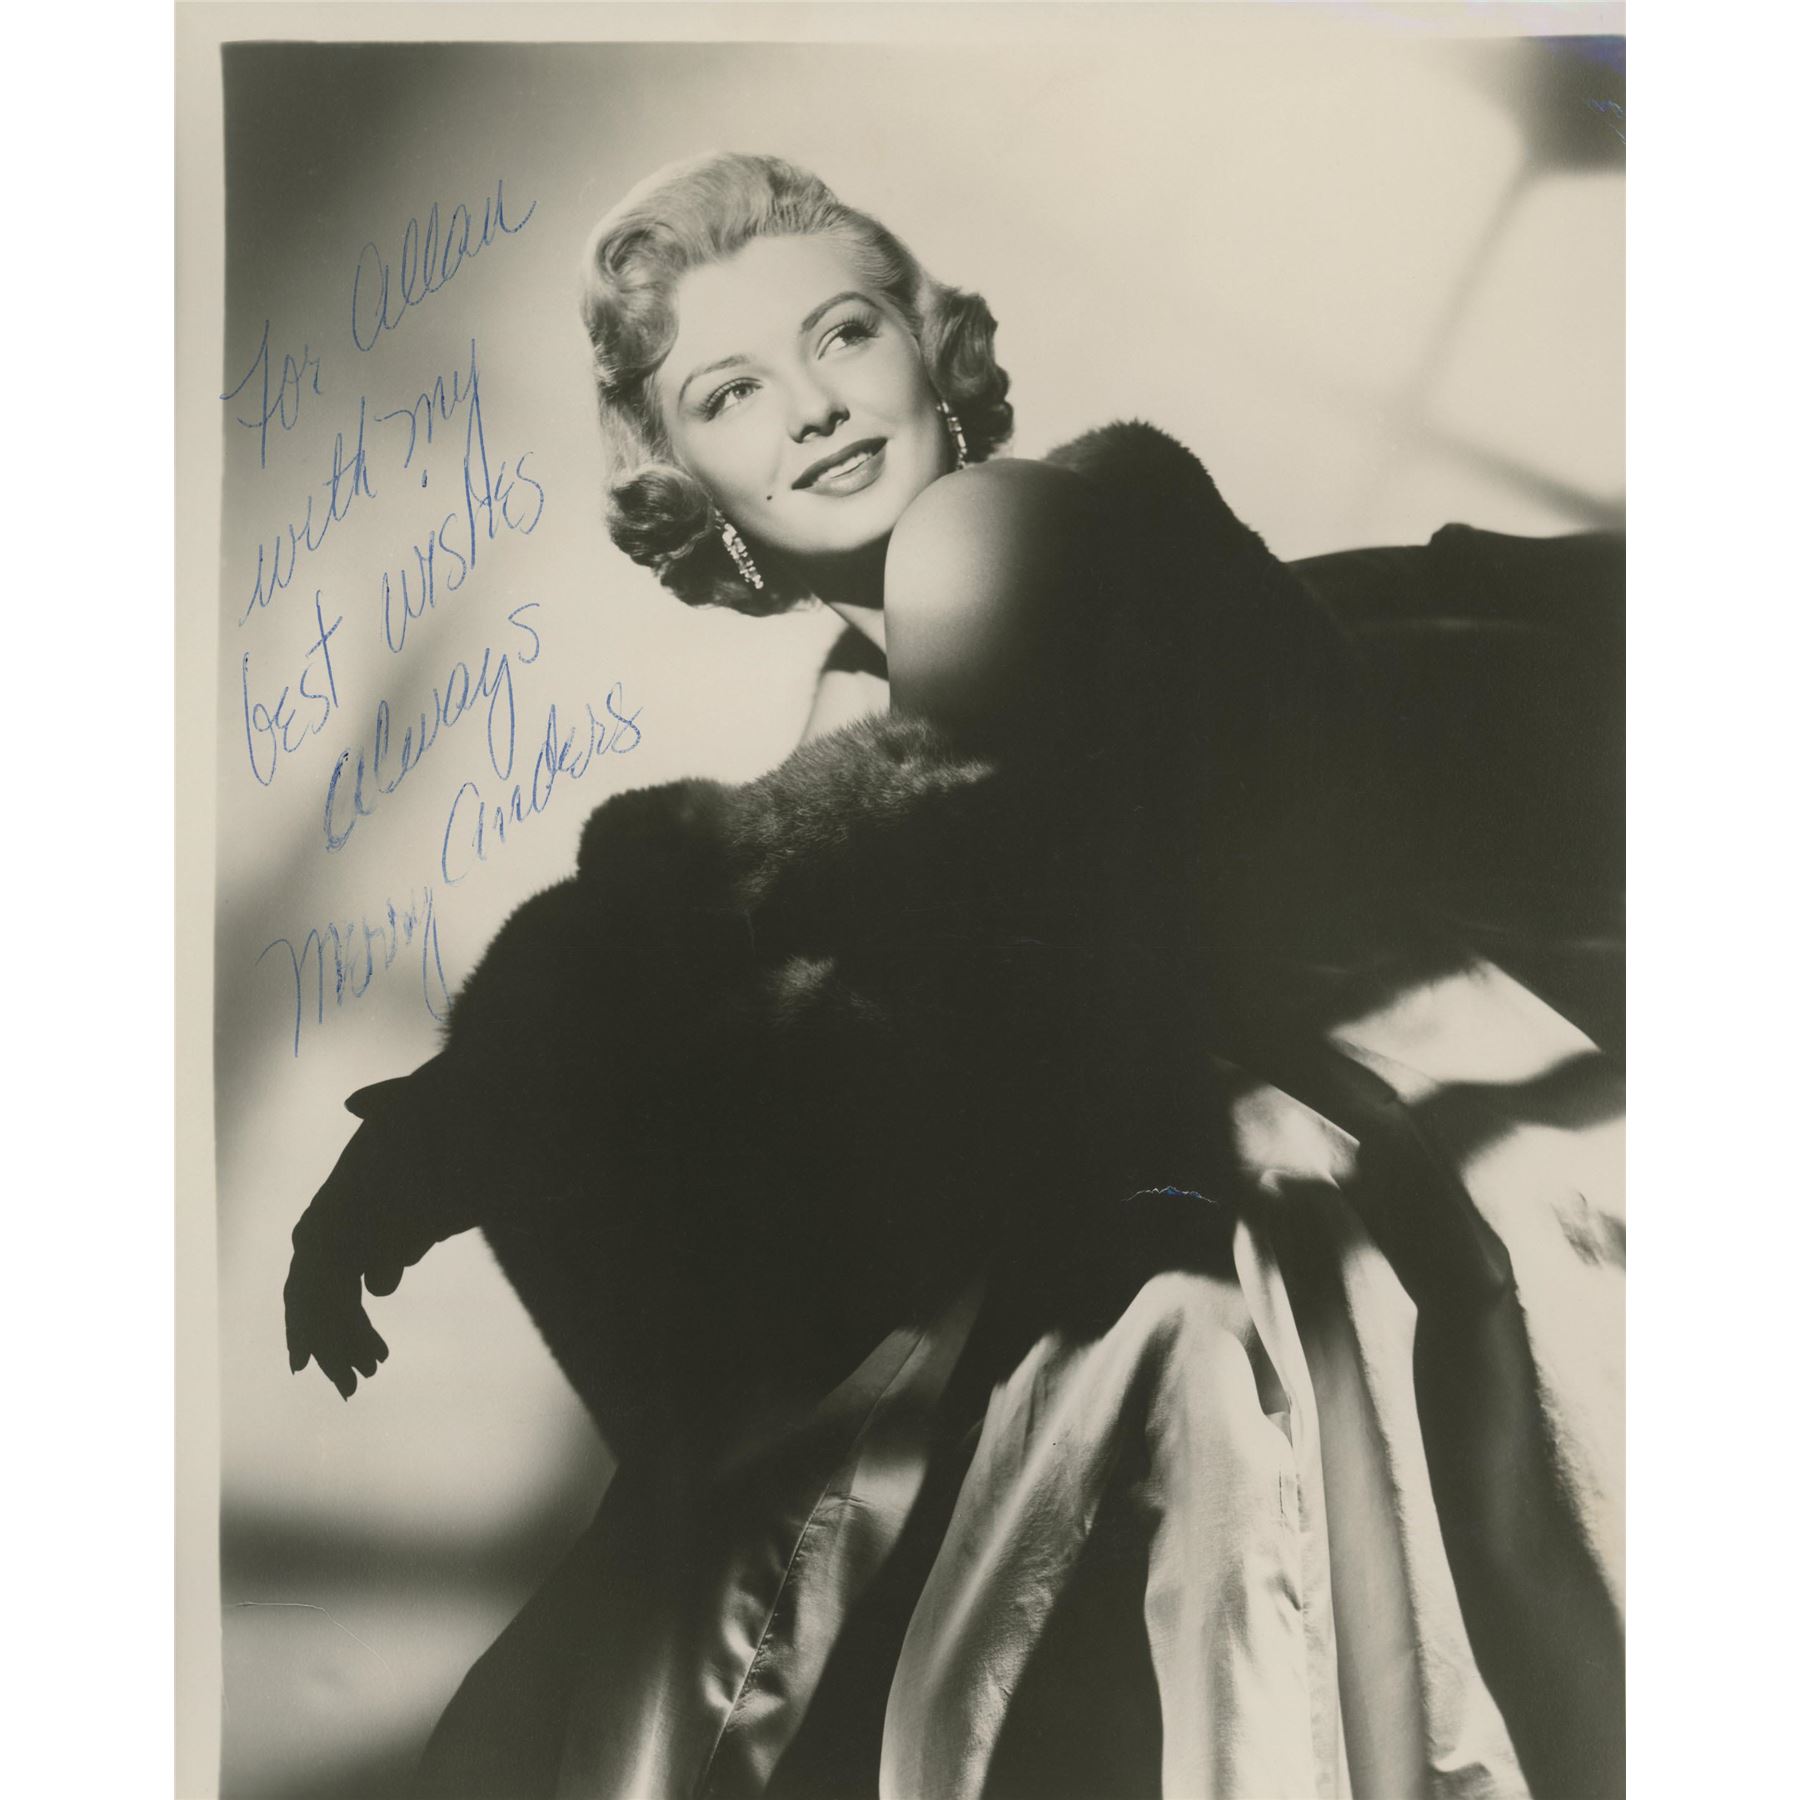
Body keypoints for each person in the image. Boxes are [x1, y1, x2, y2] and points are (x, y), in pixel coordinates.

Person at [285, 154, 1624, 1799]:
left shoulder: (995, 530)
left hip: (1296, 1165)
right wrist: (496, 1098)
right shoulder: (862, 683)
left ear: (933, 350)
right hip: (1187, 1139)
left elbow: (963, 877)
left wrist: (483, 1098)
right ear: (685, 476)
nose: (812, 409)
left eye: (844, 334)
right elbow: (853, 925)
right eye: (730, 392)